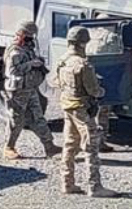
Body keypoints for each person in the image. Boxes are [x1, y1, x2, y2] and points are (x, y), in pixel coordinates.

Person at [49, 27, 116, 197]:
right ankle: (95, 186)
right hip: (82, 109)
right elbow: (94, 91)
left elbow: (56, 82)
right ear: (83, 43)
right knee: (91, 146)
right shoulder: (83, 65)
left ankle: (67, 183)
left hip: (68, 106)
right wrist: (102, 90)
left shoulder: (62, 60)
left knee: (70, 145)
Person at [0, 21, 60, 160]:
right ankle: (9, 147)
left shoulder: (27, 48)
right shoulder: (15, 51)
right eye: (29, 35)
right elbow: (12, 71)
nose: (31, 38)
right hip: (17, 90)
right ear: (22, 34)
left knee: (38, 117)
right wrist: (30, 64)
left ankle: (49, 146)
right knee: (16, 120)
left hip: (30, 88)